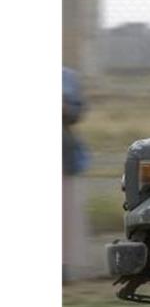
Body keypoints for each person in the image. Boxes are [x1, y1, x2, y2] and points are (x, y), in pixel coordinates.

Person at [63, 66, 91, 283]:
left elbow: (77, 111)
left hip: (63, 157)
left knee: (65, 215)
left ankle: (62, 268)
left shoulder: (67, 76)